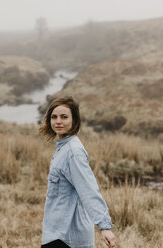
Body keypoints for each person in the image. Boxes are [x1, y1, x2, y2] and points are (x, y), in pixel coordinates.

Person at [39, 96, 116, 248]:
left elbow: (88, 189)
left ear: (74, 120)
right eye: (54, 117)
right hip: (56, 232)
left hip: (66, 237)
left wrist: (104, 226)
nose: (58, 121)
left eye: (64, 117)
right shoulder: (63, 148)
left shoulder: (73, 152)